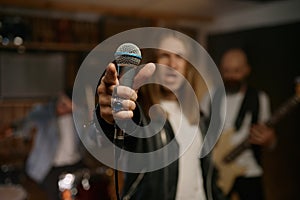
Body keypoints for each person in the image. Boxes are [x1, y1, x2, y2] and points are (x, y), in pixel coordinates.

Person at [94, 32, 226, 200]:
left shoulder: (199, 117)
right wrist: (107, 118)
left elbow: (207, 176)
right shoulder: (139, 112)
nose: (173, 64)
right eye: (165, 55)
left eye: (179, 57)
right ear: (154, 62)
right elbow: (104, 137)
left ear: (187, 65)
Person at [200, 48, 277, 200]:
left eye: (236, 71)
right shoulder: (210, 96)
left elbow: (271, 142)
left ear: (247, 70)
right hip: (217, 170)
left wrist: (269, 140)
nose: (230, 76)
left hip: (248, 170)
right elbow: (199, 131)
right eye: (226, 71)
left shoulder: (259, 99)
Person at [16, 90, 87, 200]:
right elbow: (25, 124)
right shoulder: (44, 113)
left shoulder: (80, 116)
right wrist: (14, 128)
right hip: (51, 167)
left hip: (76, 163)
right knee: (56, 194)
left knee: (87, 189)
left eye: (67, 106)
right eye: (61, 103)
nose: (63, 107)